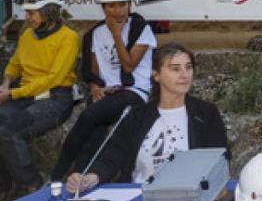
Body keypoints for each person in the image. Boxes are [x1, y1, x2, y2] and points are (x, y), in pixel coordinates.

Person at [65, 43, 228, 192]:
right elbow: (111, 158)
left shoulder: (206, 113)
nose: (185, 75)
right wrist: (89, 178)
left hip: (191, 196)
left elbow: (220, 160)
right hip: (139, 197)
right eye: (175, 69)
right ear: (156, 75)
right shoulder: (136, 116)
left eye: (189, 67)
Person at [52, 0, 157, 180]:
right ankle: (78, 180)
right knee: (95, 134)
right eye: (110, 6)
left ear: (129, 4)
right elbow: (94, 71)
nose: (116, 11)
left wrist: (116, 34)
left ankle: (56, 176)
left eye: (121, 5)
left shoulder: (140, 28)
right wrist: (94, 86)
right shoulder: (95, 33)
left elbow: (128, 66)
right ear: (103, 7)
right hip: (108, 94)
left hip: (134, 92)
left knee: (88, 116)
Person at [0, 0, 79, 196]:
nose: (27, 17)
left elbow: (53, 79)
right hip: (24, 94)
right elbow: (15, 64)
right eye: (26, 12)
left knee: (9, 131)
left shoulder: (68, 37)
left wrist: (12, 94)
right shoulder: (27, 35)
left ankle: (35, 185)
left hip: (54, 98)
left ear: (49, 11)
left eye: (32, 12)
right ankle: (6, 186)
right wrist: (6, 84)